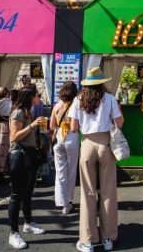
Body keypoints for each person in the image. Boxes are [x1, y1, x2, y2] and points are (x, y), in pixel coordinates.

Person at [69, 67, 123, 252]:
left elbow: (74, 127)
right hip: (105, 143)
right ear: (101, 82)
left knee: (87, 192)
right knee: (108, 191)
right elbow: (120, 122)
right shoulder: (109, 98)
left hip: (87, 144)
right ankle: (108, 238)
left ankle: (87, 240)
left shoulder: (78, 99)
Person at [7, 87, 46, 249]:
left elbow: (29, 135)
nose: (40, 97)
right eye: (38, 95)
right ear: (30, 97)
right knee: (17, 195)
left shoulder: (28, 112)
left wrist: (42, 130)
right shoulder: (19, 113)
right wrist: (32, 126)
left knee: (28, 192)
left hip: (29, 155)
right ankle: (13, 233)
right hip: (19, 156)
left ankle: (28, 223)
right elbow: (14, 136)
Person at [51, 81, 80, 215]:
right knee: (71, 171)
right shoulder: (76, 105)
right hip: (71, 137)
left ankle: (61, 201)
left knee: (60, 171)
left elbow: (51, 126)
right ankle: (68, 202)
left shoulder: (57, 105)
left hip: (58, 139)